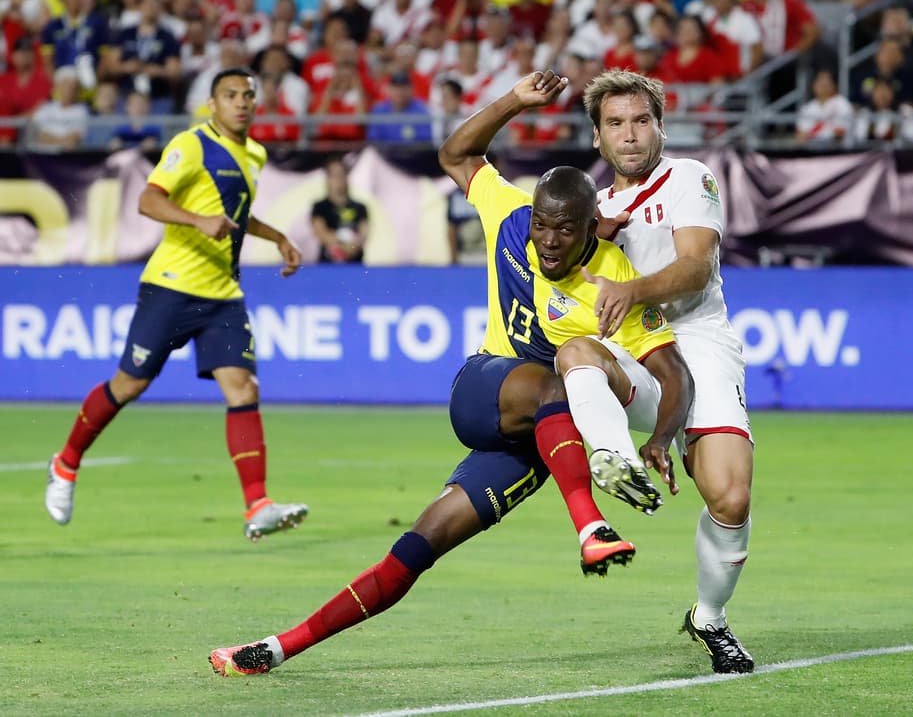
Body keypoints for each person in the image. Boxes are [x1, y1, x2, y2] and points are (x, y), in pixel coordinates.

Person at [209, 71, 694, 677]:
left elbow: (674, 372)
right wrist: (516, 100)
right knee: (552, 378)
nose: (546, 239)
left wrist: (659, 438)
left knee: (421, 543)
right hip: (483, 388)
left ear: (591, 227)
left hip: (539, 440)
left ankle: (278, 647)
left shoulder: (614, 274)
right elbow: (455, 154)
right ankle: (589, 524)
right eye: (542, 223)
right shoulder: (510, 213)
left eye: (564, 230)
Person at [44, 68, 309, 542]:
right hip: (171, 287)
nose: (241, 103)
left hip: (223, 293)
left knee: (243, 388)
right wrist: (195, 220)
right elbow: (148, 200)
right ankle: (65, 463)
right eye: (230, 96)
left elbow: (237, 215)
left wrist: (278, 238)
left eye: (248, 95)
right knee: (129, 384)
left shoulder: (255, 154)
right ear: (212, 104)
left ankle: (258, 504)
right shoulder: (191, 145)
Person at [585, 69, 757, 674]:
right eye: (615, 124)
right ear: (598, 137)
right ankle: (609, 457)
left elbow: (694, 265)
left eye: (640, 120)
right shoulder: (589, 207)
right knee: (574, 357)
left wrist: (628, 287)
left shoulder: (687, 178)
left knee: (730, 496)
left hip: (697, 338)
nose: (629, 135)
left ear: (659, 126)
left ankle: (709, 617)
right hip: (629, 344)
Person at [310, 158, 369, 264]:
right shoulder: (320, 207)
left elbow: (363, 235)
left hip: (355, 266)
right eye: (335, 175)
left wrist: (351, 247)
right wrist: (340, 244)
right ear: (328, 179)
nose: (339, 179)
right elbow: (320, 232)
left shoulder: (360, 207)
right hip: (327, 266)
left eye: (342, 174)